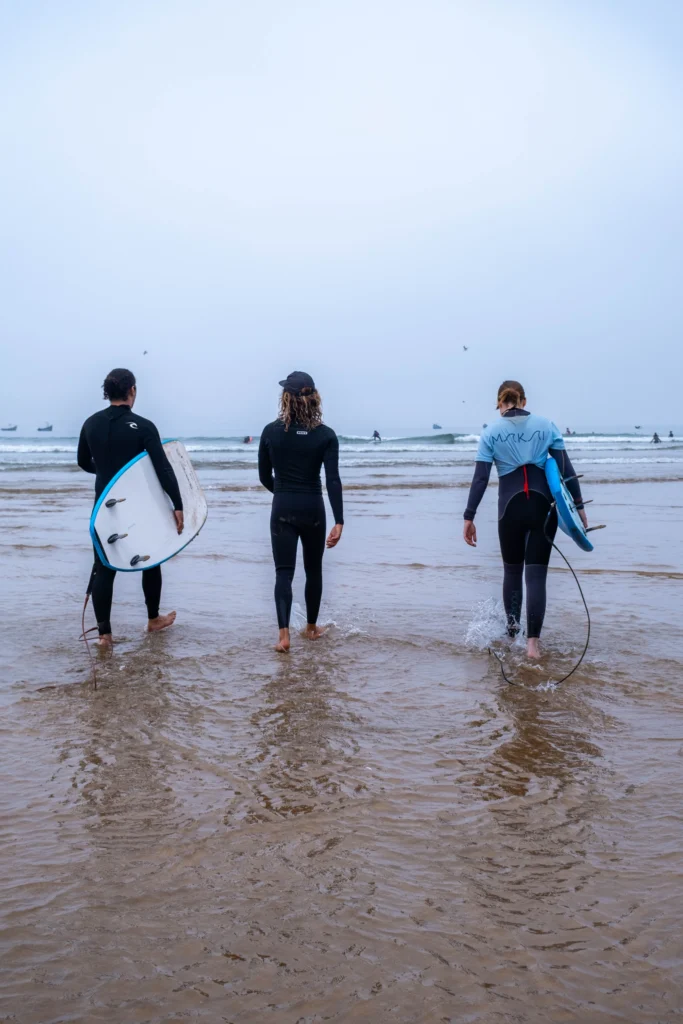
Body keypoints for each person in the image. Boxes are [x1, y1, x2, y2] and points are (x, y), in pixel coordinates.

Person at [462, 380, 587, 659]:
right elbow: (566, 469)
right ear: (524, 401)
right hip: (544, 506)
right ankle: (533, 646)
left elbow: (481, 478)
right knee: (536, 576)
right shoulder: (547, 425)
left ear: (499, 403)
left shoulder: (491, 431)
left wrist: (469, 516)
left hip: (509, 508)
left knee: (512, 572)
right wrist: (578, 507)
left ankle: (511, 634)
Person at [78, 368, 184, 646]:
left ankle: (104, 635)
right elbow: (162, 468)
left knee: (104, 567)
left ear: (107, 392)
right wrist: (178, 504)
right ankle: (152, 619)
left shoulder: (90, 424)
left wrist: (106, 474)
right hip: (138, 506)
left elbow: (82, 462)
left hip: (104, 506)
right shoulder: (144, 426)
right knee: (151, 556)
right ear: (132, 391)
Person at [258, 371, 343, 653]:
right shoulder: (326, 435)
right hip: (313, 508)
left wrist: (283, 494)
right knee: (313, 570)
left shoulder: (271, 431)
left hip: (282, 507)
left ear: (286, 398)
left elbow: (263, 476)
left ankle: (283, 636)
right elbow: (332, 481)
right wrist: (339, 520)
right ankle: (311, 628)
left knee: (283, 573)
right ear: (314, 398)